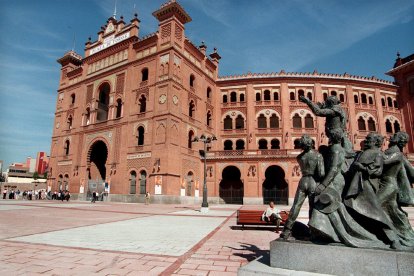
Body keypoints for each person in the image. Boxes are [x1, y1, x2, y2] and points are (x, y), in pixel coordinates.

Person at [281, 134, 325, 240]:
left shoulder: (299, 157)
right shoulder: (318, 155)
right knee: (312, 207)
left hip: (303, 180)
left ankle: (286, 230)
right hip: (313, 182)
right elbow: (321, 173)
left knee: (296, 206)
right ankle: (312, 231)